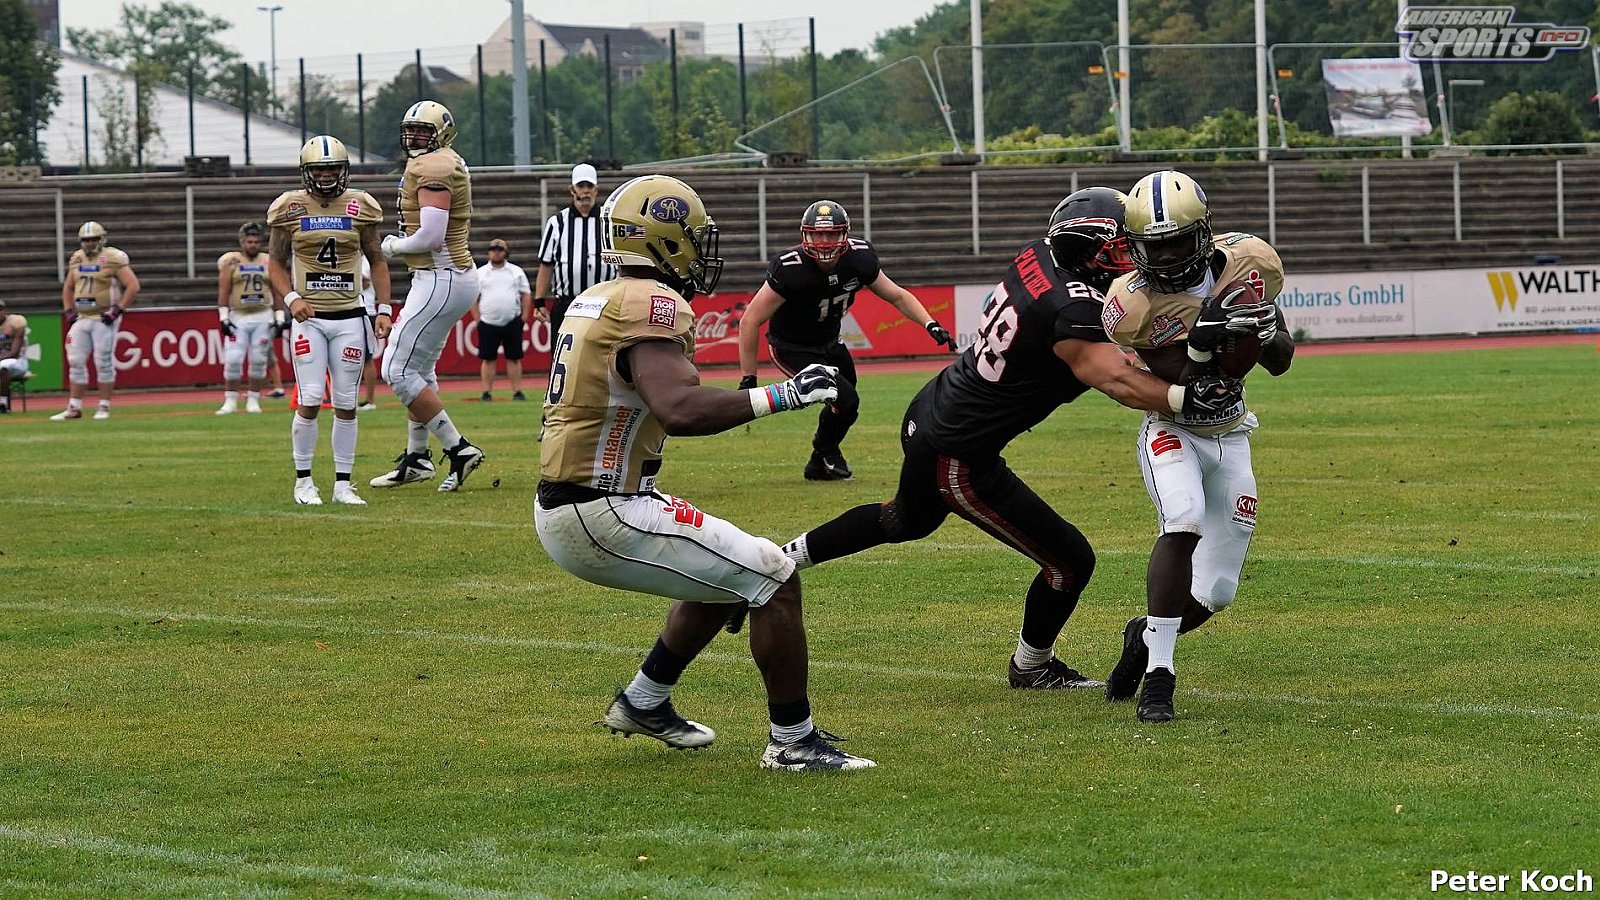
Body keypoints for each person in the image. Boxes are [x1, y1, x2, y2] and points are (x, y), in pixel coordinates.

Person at [778, 188, 1244, 691]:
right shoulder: (1073, 306)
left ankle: (779, 560)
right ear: (1086, 252)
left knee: (902, 520)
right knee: (1069, 563)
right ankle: (1031, 666)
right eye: (1118, 248)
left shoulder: (1038, 254)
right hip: (959, 452)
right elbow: (1118, 381)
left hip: (934, 411)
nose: (1132, 257)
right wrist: (1186, 399)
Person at [536, 174, 875, 771]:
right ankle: (793, 742)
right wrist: (786, 394)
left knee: (731, 570)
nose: (698, 250)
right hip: (601, 507)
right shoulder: (649, 304)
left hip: (592, 498)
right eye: (691, 237)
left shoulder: (600, 296)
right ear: (664, 239)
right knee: (774, 575)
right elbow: (680, 409)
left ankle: (644, 701)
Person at [1100, 170, 1294, 723]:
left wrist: (1263, 330)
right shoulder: (1133, 303)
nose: (1165, 257)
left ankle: (1144, 635)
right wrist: (1204, 346)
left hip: (1232, 433)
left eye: (1177, 242)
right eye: (1153, 246)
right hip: (1174, 428)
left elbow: (1280, 361)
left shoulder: (1249, 264)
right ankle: (1160, 676)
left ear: (1203, 233)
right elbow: (1185, 384)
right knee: (1182, 520)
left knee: (1217, 592)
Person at [737, 200, 956, 481]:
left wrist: (930, 323)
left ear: (845, 234)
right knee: (846, 399)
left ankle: (818, 462)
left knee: (847, 405)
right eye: (817, 234)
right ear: (805, 235)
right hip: (792, 347)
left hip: (830, 342)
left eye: (831, 234)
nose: (824, 241)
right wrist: (748, 378)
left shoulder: (859, 258)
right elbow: (750, 320)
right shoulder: (790, 268)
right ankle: (826, 451)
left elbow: (897, 295)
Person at [266, 135, 391, 506]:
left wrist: (384, 308)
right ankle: (303, 482)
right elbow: (275, 262)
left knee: (346, 403)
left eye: (332, 168)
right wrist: (291, 298)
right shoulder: (289, 207)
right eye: (319, 169)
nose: (325, 175)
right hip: (311, 318)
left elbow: (378, 260)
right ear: (307, 171)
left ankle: (342, 485)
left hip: (350, 315)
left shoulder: (361, 205)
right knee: (308, 399)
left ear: (343, 170)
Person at [368, 100, 486, 493]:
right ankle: (418, 458)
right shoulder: (436, 161)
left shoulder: (435, 165)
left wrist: (391, 247)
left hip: (442, 274)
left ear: (442, 134)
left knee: (396, 369)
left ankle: (458, 448)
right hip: (441, 276)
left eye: (423, 130)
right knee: (418, 369)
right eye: (411, 130)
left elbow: (432, 236)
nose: (415, 137)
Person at [51, 221, 140, 420]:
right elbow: (68, 287)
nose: (89, 243)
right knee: (75, 361)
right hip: (82, 317)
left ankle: (104, 406)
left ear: (102, 239)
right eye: (86, 240)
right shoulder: (77, 258)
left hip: (103, 317)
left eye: (93, 239)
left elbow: (133, 285)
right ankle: (74, 407)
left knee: (103, 362)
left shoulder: (113, 258)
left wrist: (118, 310)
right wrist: (68, 309)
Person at [535, 163, 612, 340]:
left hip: (603, 303)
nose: (585, 191)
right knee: (564, 352)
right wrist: (539, 301)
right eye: (581, 186)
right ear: (572, 190)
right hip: (567, 303)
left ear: (596, 190)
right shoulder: (557, 223)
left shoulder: (608, 221)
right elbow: (546, 264)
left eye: (589, 186)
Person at [216, 221, 282, 415]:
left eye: (256, 241)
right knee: (233, 359)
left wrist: (279, 316)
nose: (253, 245)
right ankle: (230, 400)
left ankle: (253, 399)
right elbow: (224, 291)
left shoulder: (268, 261)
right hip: (239, 316)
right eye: (249, 241)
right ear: (242, 242)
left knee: (259, 360)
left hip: (263, 315)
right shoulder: (231, 261)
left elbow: (277, 290)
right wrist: (223, 317)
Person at [471, 237, 532, 401]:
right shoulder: (480, 273)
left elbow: (526, 294)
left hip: (512, 321)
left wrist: (523, 318)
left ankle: (517, 391)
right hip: (488, 322)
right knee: (488, 358)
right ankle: (486, 392)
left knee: (514, 358)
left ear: (506, 252)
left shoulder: (516, 271)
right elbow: (473, 297)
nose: (496, 253)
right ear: (488, 253)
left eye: (499, 250)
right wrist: (478, 319)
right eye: (493, 249)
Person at [357, 253, 381, 411]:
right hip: (356, 312)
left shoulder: (365, 261)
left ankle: (370, 400)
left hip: (366, 312)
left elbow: (365, 281)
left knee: (366, 358)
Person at [0, 299, 27, 414]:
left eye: (0, 309)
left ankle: (3, 403)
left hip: (17, 361)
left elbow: (14, 352)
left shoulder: (15, 322)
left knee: (3, 366)